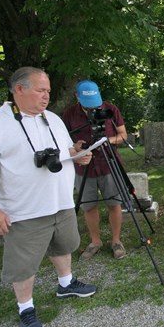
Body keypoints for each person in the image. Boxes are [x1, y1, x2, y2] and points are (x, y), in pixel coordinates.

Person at [0, 67, 98, 327]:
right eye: (40, 90)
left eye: (48, 91)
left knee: (63, 245)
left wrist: (78, 155)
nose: (46, 97)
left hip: (60, 203)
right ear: (19, 89)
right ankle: (25, 308)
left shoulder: (52, 119)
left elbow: (65, 152)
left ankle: (66, 283)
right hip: (24, 209)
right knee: (24, 263)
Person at [62, 80, 128, 260]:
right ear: (77, 97)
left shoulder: (110, 109)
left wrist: (107, 141)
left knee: (114, 202)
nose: (93, 108)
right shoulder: (69, 114)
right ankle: (95, 241)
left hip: (108, 163)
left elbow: (123, 135)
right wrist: (75, 146)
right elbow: (63, 141)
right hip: (83, 167)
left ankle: (116, 241)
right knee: (89, 206)